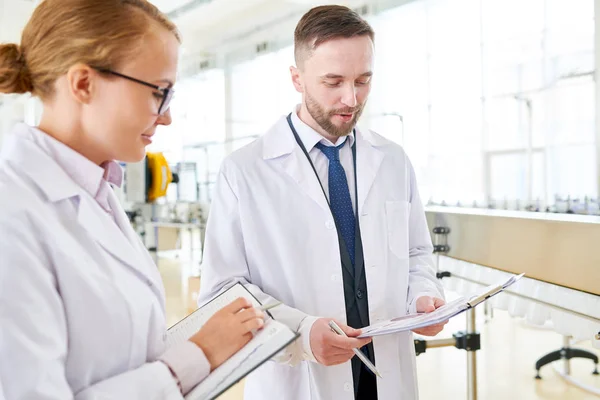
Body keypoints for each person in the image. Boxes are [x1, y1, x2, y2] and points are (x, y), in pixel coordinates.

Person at [0, 1, 264, 399]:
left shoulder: (97, 191)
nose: (167, 117)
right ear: (83, 84)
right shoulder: (12, 211)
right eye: (160, 92)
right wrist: (199, 355)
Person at [198, 5, 447, 400]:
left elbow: (416, 252)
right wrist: (301, 333)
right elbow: (222, 292)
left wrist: (421, 296)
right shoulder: (244, 171)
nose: (351, 98)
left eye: (363, 80)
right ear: (297, 78)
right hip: (301, 377)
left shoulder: (393, 160)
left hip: (385, 373)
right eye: (333, 81)